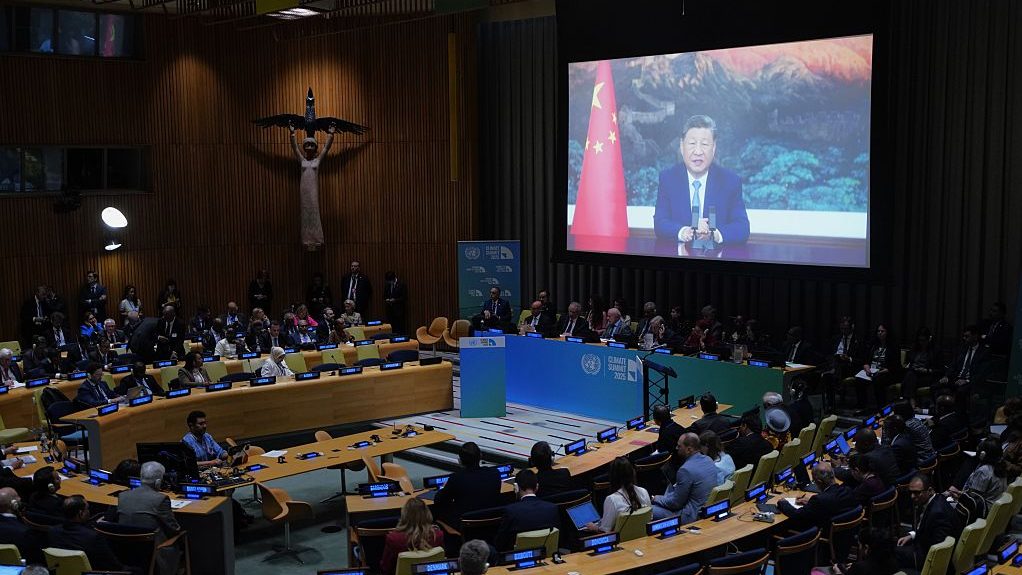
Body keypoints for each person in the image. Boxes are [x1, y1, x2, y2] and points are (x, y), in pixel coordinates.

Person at [653, 115, 750, 244]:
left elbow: (742, 227)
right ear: (682, 146)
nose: (698, 151)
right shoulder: (668, 179)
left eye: (704, 144)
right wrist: (684, 231)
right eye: (692, 144)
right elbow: (660, 223)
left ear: (714, 148)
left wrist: (714, 235)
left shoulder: (730, 181)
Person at [117, 461, 182, 575]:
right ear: (158, 482)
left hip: (125, 553)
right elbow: (174, 529)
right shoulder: (161, 499)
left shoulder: (122, 496)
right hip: (154, 556)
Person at [896, 474, 959, 569]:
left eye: (917, 493)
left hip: (930, 560)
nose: (912, 496)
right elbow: (928, 529)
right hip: (926, 547)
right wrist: (912, 535)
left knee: (893, 552)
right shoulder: (937, 499)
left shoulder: (938, 513)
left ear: (929, 491)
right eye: (911, 492)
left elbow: (938, 549)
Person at [49, 495, 126, 571]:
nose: (89, 511)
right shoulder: (93, 537)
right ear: (80, 513)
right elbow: (115, 566)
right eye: (87, 509)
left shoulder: (53, 531)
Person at [651, 433, 717, 521]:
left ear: (689, 449)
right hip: (706, 508)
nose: (676, 448)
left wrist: (656, 498)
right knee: (671, 488)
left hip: (691, 516)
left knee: (650, 510)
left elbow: (676, 504)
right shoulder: (708, 460)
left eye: (679, 446)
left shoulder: (685, 470)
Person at [433, 442, 501, 526]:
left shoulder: (456, 478)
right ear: (480, 456)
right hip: (492, 523)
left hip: (465, 526)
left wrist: (443, 487)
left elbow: (439, 500)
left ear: (460, 461)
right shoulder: (495, 473)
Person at [777, 462, 857, 531]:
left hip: (824, 534)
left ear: (819, 482)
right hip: (845, 533)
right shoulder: (847, 490)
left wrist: (783, 503)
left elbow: (797, 515)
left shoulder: (819, 500)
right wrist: (810, 503)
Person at [494, 469, 559, 551]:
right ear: (537, 487)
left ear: (516, 487)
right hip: (546, 557)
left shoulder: (510, 511)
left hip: (515, 559)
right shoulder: (552, 508)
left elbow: (500, 544)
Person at [582, 457, 650, 533]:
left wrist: (595, 528)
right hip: (642, 537)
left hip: (621, 542)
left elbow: (605, 531)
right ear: (632, 473)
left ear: (612, 477)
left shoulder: (612, 500)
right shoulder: (644, 492)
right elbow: (650, 518)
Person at [380, 498, 444, 575]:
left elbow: (385, 568)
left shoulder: (393, 539)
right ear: (427, 514)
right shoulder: (438, 535)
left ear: (404, 515)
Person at [938, 325, 989, 411]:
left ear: (975, 337)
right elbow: (953, 365)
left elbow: (982, 373)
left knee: (961, 391)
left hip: (971, 381)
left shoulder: (983, 352)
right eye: (963, 336)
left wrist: (966, 380)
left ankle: (958, 416)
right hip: (957, 379)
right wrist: (946, 376)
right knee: (936, 386)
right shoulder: (961, 349)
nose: (964, 338)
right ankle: (937, 413)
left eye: (967, 336)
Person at [949, 437, 1007, 510]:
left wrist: (958, 496)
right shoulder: (1001, 466)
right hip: (992, 507)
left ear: (983, 454)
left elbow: (972, 500)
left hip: (981, 511)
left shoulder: (984, 471)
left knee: (943, 506)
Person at [854, 323, 898, 413]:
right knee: (859, 379)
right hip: (872, 371)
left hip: (885, 372)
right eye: (878, 331)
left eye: (882, 331)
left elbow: (896, 366)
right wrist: (866, 368)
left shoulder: (893, 347)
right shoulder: (873, 345)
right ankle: (862, 406)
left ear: (887, 333)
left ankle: (880, 408)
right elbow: (865, 360)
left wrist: (883, 371)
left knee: (878, 380)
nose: (880, 333)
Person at [822, 317, 861, 411]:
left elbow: (861, 359)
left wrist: (849, 358)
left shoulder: (858, 340)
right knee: (829, 372)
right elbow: (830, 353)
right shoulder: (836, 338)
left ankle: (835, 378)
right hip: (836, 363)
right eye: (841, 329)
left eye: (845, 329)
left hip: (850, 366)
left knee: (834, 371)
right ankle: (831, 402)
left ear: (852, 327)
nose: (843, 331)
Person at [0, 487, 45, 564]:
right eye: (18, 496)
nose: (20, 498)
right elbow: (38, 559)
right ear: (14, 504)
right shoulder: (24, 532)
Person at [833, 528, 900, 575]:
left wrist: (838, 572)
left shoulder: (860, 568)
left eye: (859, 544)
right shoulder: (894, 562)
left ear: (866, 547)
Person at [900, 327, 940, 406]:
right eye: (920, 340)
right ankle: (911, 403)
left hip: (927, 376)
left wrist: (926, 370)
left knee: (909, 377)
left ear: (929, 339)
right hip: (914, 373)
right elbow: (910, 363)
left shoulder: (935, 350)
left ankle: (910, 402)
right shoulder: (915, 348)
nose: (922, 343)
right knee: (910, 375)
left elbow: (940, 369)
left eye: (924, 340)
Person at [652, 405, 685, 477]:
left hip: (675, 465)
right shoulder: (678, 427)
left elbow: (661, 452)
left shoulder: (665, 432)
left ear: (656, 420)